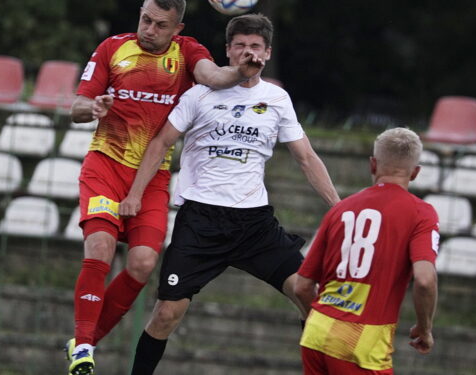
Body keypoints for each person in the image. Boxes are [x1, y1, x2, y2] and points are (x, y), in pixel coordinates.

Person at [121, 13, 341, 375]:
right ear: (227, 50)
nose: (247, 52)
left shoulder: (276, 98)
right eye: (240, 45)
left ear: (267, 53)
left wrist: (338, 209)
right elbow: (161, 143)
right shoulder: (200, 93)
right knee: (166, 314)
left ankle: (320, 367)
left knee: (306, 291)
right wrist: (135, 194)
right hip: (201, 220)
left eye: (255, 46)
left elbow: (305, 156)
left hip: (253, 223)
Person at [66, 0, 268, 374]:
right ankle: (82, 350)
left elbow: (213, 76)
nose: (149, 29)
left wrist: (239, 71)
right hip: (105, 166)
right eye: (146, 19)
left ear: (178, 28)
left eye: (161, 25)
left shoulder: (189, 53)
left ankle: (84, 341)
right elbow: (77, 105)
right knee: (101, 246)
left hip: (152, 175)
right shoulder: (113, 47)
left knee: (143, 264)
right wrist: (92, 108)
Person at [294, 128, 439, 374]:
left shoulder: (340, 210)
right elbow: (425, 281)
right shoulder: (420, 214)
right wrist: (424, 328)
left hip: (316, 334)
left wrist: (325, 324)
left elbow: (302, 286)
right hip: (361, 344)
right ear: (415, 173)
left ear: (373, 165)